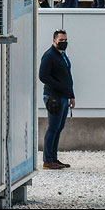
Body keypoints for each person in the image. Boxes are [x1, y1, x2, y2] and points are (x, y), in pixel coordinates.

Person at [39, 29, 75, 170]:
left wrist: (71, 94)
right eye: (61, 41)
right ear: (54, 41)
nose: (64, 43)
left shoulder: (62, 55)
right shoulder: (49, 56)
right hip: (54, 96)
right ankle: (47, 160)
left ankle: (53, 157)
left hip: (64, 96)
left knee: (59, 127)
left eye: (65, 40)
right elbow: (43, 76)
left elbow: (68, 76)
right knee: (53, 127)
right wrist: (59, 87)